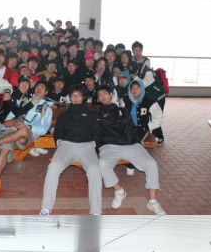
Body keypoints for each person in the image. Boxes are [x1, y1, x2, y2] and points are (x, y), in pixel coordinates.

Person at [96, 85, 166, 215]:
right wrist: (99, 145)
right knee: (102, 164)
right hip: (110, 146)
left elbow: (131, 127)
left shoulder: (122, 110)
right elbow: (97, 131)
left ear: (111, 94)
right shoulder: (97, 113)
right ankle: (119, 191)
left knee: (151, 164)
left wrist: (135, 141)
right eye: (99, 95)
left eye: (105, 93)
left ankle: (152, 201)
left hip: (130, 144)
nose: (102, 96)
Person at [40, 84, 102, 216]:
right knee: (53, 166)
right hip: (66, 145)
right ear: (70, 97)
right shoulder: (64, 115)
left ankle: (96, 211)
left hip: (86, 146)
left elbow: (97, 131)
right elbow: (58, 131)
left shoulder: (91, 114)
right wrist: (59, 142)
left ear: (83, 97)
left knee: (95, 169)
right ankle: (46, 207)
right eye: (73, 95)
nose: (75, 98)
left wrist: (93, 143)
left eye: (78, 95)